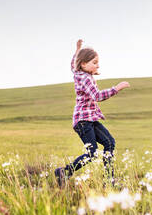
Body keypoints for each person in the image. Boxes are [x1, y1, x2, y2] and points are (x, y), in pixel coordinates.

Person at [55, 39, 130, 187]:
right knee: (93, 153)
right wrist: (117, 88)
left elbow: (73, 64)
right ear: (84, 64)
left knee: (109, 142)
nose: (98, 65)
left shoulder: (78, 73)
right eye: (94, 62)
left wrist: (77, 49)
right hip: (83, 122)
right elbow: (97, 96)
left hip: (89, 119)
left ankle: (109, 181)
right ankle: (64, 172)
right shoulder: (86, 79)